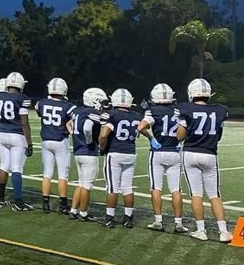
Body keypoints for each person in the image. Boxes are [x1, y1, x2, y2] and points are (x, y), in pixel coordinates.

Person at [177, 78, 232, 243]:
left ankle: (201, 230)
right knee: (215, 194)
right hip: (209, 153)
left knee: (196, 194)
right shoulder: (220, 110)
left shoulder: (186, 108)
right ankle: (223, 232)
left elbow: (179, 136)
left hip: (190, 153)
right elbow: (219, 136)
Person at [137, 83, 188, 234]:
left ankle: (158, 221)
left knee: (156, 187)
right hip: (174, 151)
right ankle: (178, 223)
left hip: (158, 152)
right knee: (176, 189)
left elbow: (141, 127)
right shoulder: (179, 111)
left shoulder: (152, 111)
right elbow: (185, 129)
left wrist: (151, 138)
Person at [99, 89, 138, 229]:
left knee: (112, 187)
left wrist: (102, 148)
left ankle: (110, 218)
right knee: (127, 187)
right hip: (131, 153)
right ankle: (128, 218)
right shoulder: (136, 116)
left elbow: (104, 135)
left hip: (115, 152)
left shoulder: (111, 114)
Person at [35, 77, 76, 214]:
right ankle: (63, 204)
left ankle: (45, 203)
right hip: (60, 140)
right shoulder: (68, 106)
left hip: (46, 140)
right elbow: (70, 121)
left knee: (47, 173)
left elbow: (39, 112)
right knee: (63, 174)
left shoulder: (41, 103)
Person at [67, 88, 108, 221]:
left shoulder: (77, 111)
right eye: (101, 101)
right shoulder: (92, 112)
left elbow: (70, 125)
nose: (102, 104)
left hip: (78, 150)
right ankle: (83, 213)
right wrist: (90, 141)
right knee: (87, 185)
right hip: (88, 152)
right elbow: (87, 127)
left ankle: (73, 210)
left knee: (81, 183)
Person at [0, 72, 33, 211]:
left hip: (2, 133)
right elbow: (24, 122)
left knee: (3, 165)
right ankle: (18, 201)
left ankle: (0, 199)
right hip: (17, 135)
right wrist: (30, 143)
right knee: (17, 168)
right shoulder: (22, 98)